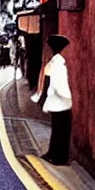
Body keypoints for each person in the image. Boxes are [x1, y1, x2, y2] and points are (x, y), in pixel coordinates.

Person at [33, 34, 72, 166]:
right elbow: (59, 86)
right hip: (61, 103)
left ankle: (52, 154)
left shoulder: (52, 63)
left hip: (54, 102)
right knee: (62, 131)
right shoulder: (59, 64)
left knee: (56, 130)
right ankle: (59, 157)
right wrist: (69, 98)